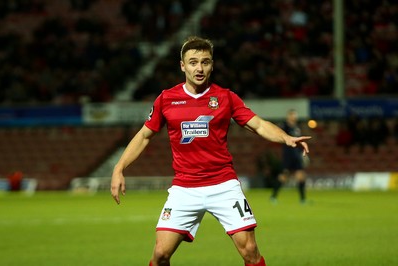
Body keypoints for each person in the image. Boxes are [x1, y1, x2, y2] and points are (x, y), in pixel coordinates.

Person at [111, 36, 311, 266]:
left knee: (250, 250)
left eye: (205, 62)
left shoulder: (225, 97)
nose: (199, 68)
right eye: (193, 62)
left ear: (212, 65)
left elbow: (257, 124)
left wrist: (285, 137)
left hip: (223, 185)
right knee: (160, 254)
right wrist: (119, 168)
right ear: (182, 65)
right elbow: (144, 135)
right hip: (185, 188)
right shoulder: (166, 99)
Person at [270, 109, 308, 204]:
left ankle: (303, 200)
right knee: (284, 176)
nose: (295, 117)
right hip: (288, 155)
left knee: (301, 176)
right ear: (289, 116)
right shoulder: (285, 126)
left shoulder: (297, 127)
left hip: (296, 155)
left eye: (295, 115)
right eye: (293, 115)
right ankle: (273, 196)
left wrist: (302, 154)